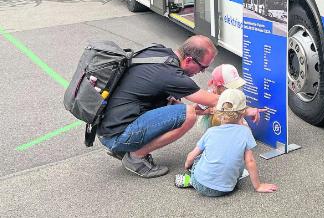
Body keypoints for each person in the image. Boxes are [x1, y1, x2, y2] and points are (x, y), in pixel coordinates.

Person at [97, 35, 262, 178]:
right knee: (187, 114)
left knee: (176, 106)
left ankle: (125, 148)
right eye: (203, 67)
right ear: (189, 60)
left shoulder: (160, 52)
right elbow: (215, 101)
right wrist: (246, 110)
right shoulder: (171, 74)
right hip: (116, 134)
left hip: (109, 126)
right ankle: (135, 157)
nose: (202, 72)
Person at [175, 89, 278, 196]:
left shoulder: (210, 132)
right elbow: (250, 161)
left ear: (217, 111)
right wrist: (258, 186)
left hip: (200, 184)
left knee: (198, 159)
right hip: (226, 188)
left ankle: (190, 178)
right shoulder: (245, 132)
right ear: (243, 113)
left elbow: (191, 157)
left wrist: (188, 166)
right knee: (237, 158)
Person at [199, 64, 248, 130]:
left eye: (236, 87)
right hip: (214, 124)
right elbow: (194, 110)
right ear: (219, 86)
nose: (234, 90)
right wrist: (208, 111)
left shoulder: (233, 94)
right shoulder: (210, 95)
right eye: (231, 87)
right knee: (218, 116)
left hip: (231, 118)